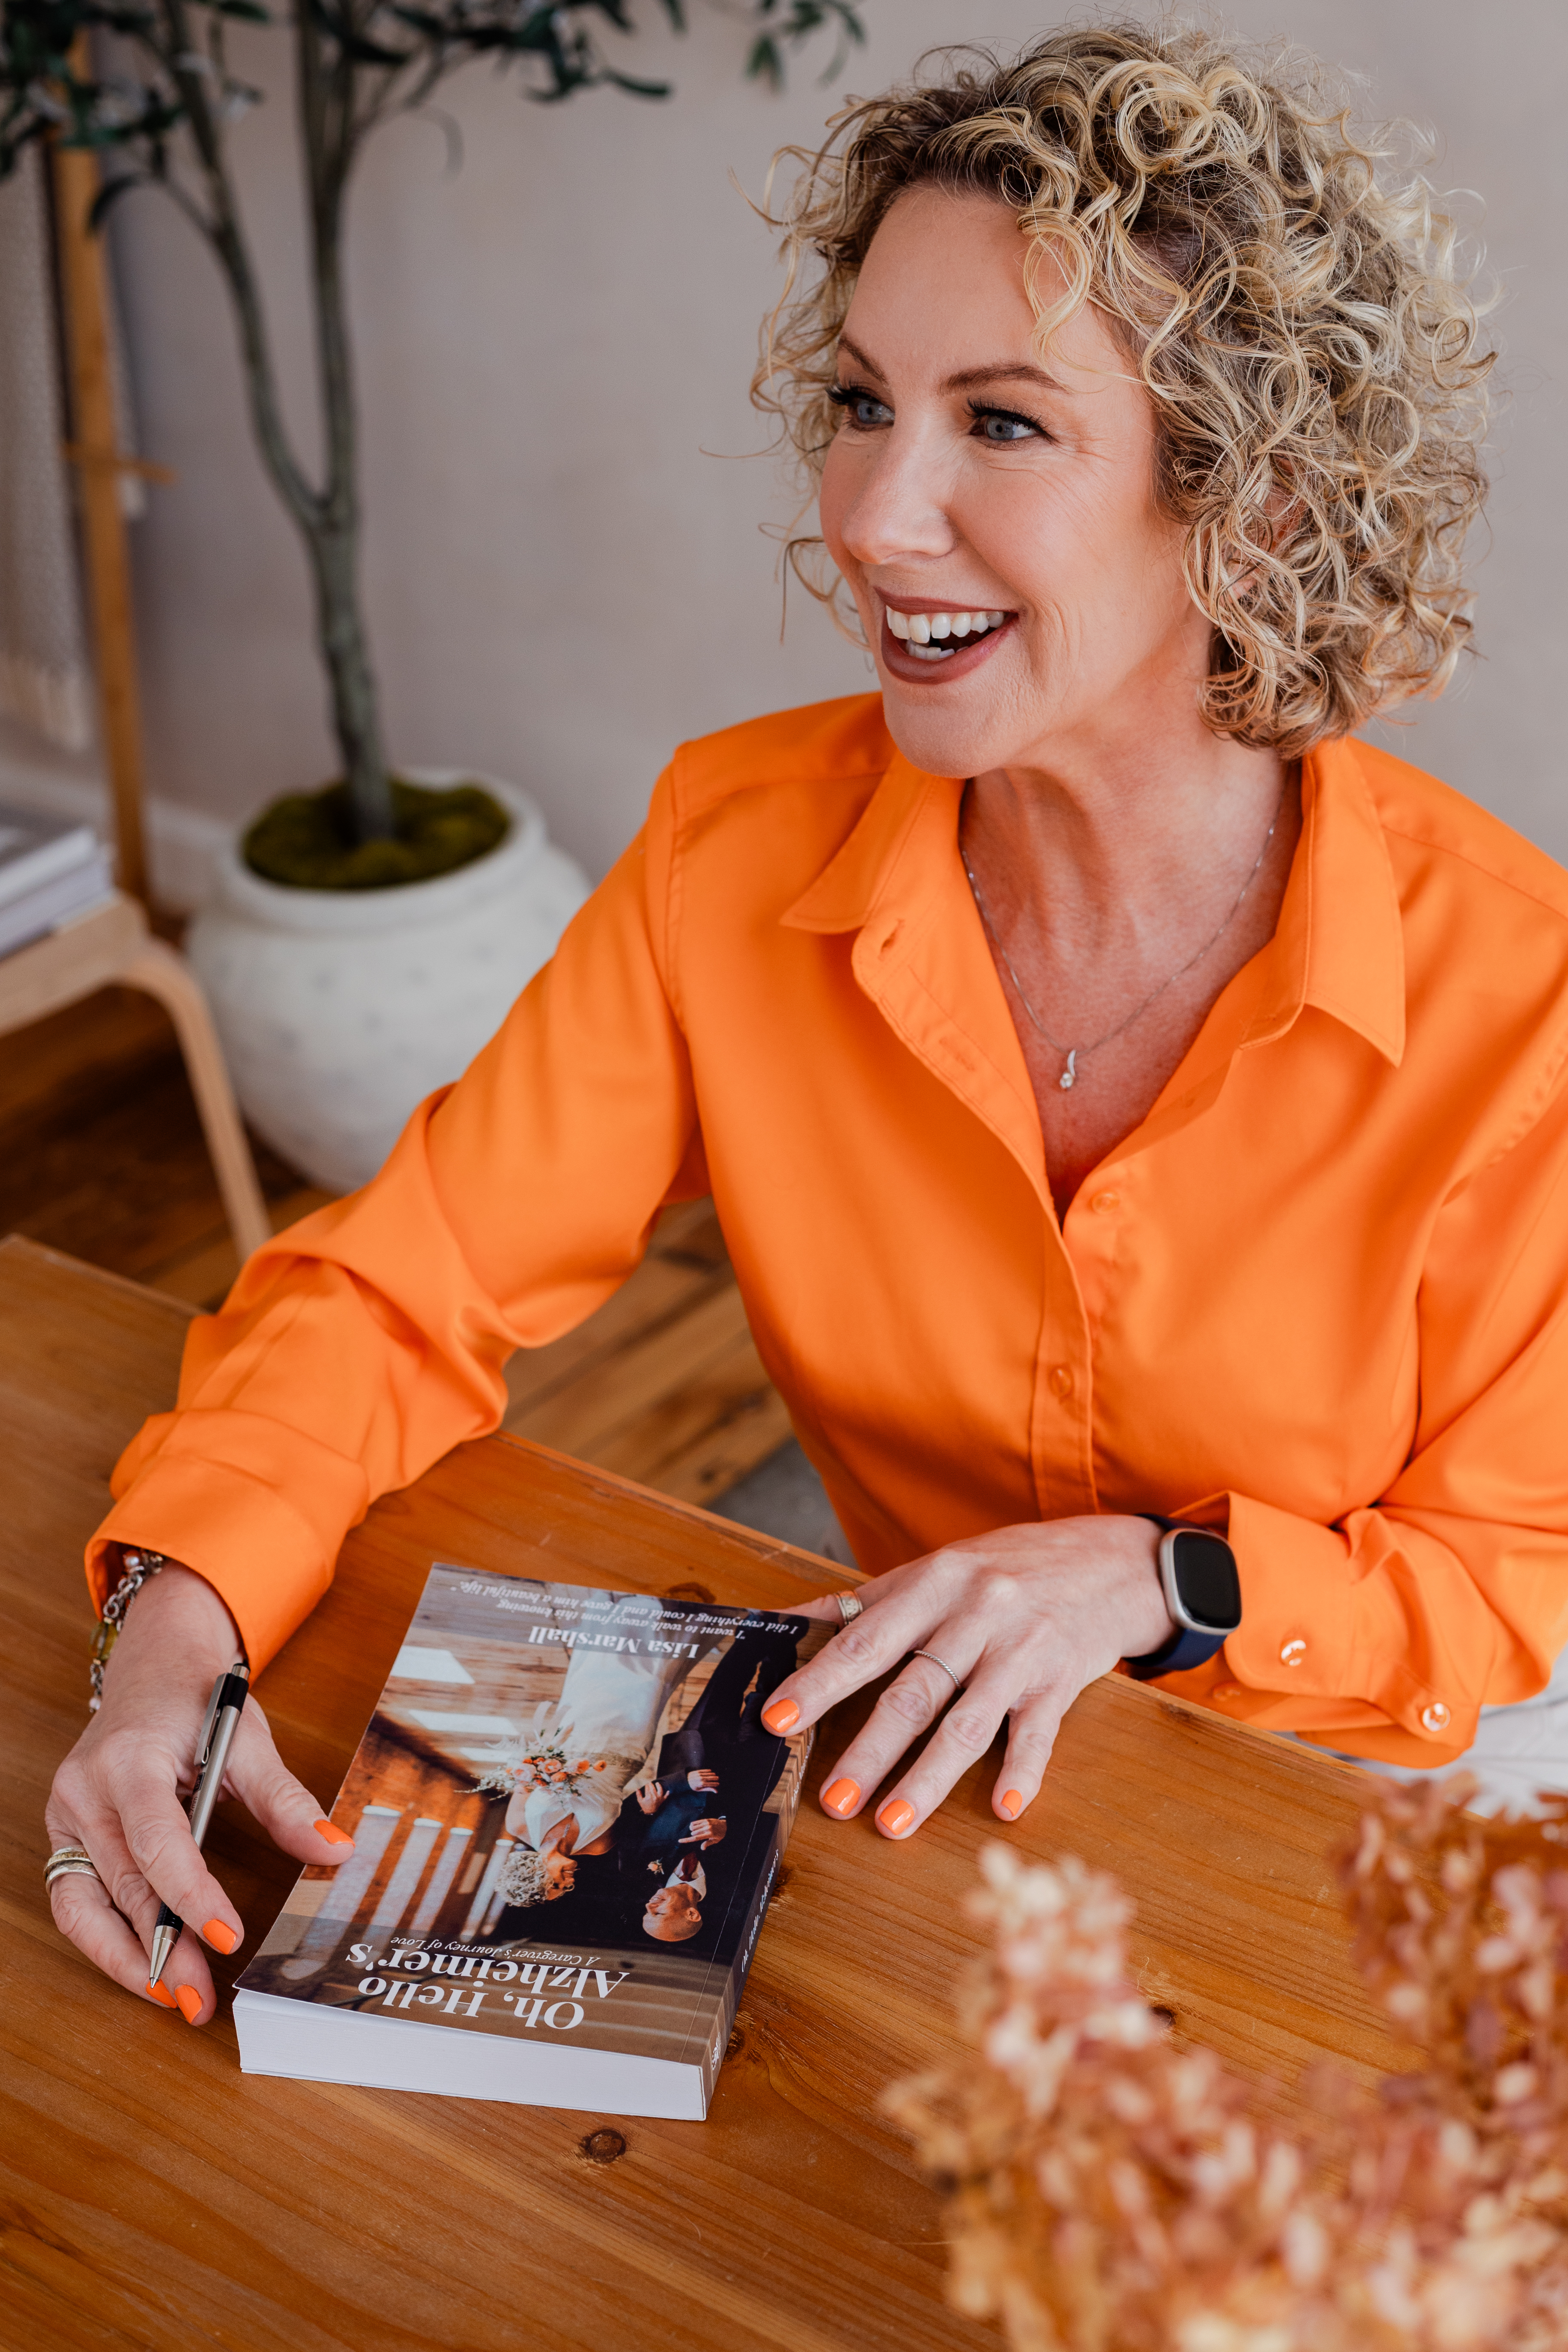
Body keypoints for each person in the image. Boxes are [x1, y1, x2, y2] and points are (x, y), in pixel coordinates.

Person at [47, 26, 1565, 2034]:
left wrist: (1166, 1582)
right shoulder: (729, 853)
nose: (873, 513)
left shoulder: (1521, 995)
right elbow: (404, 1287)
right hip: (909, 1794)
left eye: (1002, 425)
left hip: (1361, 1793)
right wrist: (173, 1630)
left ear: (1255, 503)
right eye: (862, 403)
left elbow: (1504, 1587)